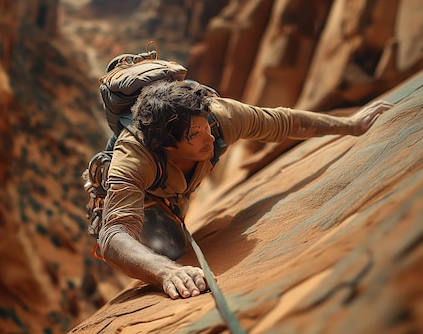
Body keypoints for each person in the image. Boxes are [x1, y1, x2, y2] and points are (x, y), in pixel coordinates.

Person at [98, 79, 392, 300]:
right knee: (168, 247)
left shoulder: (219, 116)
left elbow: (287, 122)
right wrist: (165, 272)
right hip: (149, 199)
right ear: (168, 145)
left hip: (176, 189)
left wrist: (350, 125)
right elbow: (113, 236)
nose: (210, 138)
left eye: (206, 127)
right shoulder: (135, 157)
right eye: (195, 136)